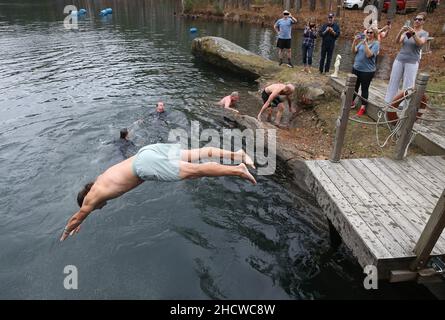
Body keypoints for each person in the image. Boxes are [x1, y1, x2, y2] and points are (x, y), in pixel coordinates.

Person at [60, 144, 256, 241]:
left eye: (92, 207)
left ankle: (238, 169)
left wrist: (66, 231)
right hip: (147, 152)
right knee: (197, 153)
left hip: (143, 165)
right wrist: (82, 218)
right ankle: (237, 154)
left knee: (195, 171)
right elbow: (83, 213)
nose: (99, 208)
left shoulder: (92, 198)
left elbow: (79, 215)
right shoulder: (99, 182)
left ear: (86, 200)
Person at [384, 12, 429, 104]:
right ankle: (388, 101)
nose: (416, 21)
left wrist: (413, 33)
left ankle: (403, 104)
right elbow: (397, 41)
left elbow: (420, 43)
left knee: (408, 84)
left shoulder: (424, 33)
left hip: (412, 61)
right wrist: (401, 31)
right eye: (415, 19)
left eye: (419, 19)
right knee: (394, 80)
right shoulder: (408, 33)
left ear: (423, 22)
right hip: (400, 59)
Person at [351, 28, 380, 117]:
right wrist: (355, 41)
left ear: (374, 34)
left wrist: (366, 44)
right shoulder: (363, 42)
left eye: (371, 32)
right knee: (354, 87)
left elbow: (369, 55)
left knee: (364, 89)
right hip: (356, 68)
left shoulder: (376, 43)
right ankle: (351, 102)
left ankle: (363, 107)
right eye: (367, 32)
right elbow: (353, 51)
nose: (368, 34)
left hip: (367, 71)